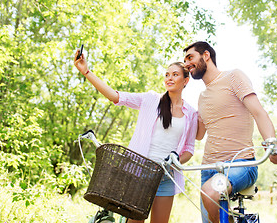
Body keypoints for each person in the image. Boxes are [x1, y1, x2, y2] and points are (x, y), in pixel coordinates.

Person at [74, 50, 198, 223]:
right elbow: (114, 96)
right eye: (167, 74)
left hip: (166, 177)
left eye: (175, 75)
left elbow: (189, 150)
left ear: (185, 80)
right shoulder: (150, 99)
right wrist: (86, 71)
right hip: (140, 173)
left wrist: (175, 160)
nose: (169, 78)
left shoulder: (191, 113)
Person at [183, 41, 277, 223]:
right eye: (184, 61)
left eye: (190, 57)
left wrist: (271, 144)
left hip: (241, 164)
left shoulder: (233, 77)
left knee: (210, 192)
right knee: (210, 201)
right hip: (208, 168)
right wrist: (175, 105)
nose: (186, 64)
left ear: (206, 55)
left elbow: (258, 112)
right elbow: (198, 135)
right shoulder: (202, 97)